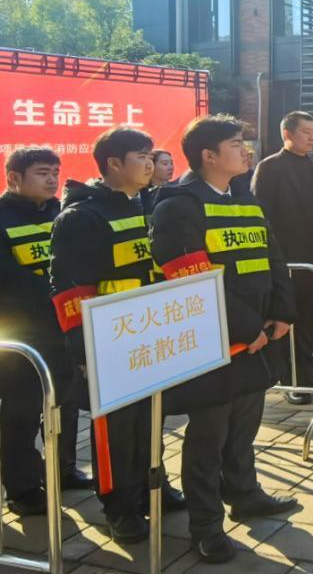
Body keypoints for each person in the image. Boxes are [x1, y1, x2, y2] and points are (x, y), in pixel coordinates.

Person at [149, 115, 298, 563]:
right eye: (236, 144)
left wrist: (282, 312)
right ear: (208, 155)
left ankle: (245, 494)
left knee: (243, 428)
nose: (246, 150)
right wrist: (247, 329)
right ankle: (206, 526)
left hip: (256, 338)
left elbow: (272, 255)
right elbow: (191, 279)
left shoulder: (243, 197)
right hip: (211, 342)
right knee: (207, 438)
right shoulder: (178, 206)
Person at [49, 127, 183, 544]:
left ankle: (151, 485)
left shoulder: (146, 204)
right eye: (141, 156)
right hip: (109, 340)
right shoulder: (82, 217)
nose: (150, 164)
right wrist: (83, 350)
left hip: (149, 331)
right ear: (113, 163)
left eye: (151, 156)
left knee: (151, 417)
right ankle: (119, 507)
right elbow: (69, 289)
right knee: (115, 429)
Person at [0, 148, 91, 518]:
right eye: (42, 172)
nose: (52, 179)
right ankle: (22, 489)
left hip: (63, 330)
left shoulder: (61, 214)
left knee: (66, 405)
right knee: (20, 414)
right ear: (14, 178)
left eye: (55, 171)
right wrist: (60, 293)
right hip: (22, 337)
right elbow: (9, 278)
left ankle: (63, 470)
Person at [252, 111, 313, 404]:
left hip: (310, 260)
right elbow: (260, 216)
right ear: (287, 134)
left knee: (307, 319)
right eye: (305, 133)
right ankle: (289, 378)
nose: (312, 138)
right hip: (284, 260)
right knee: (284, 319)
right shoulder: (270, 167)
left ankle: (307, 371)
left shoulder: (312, 165)